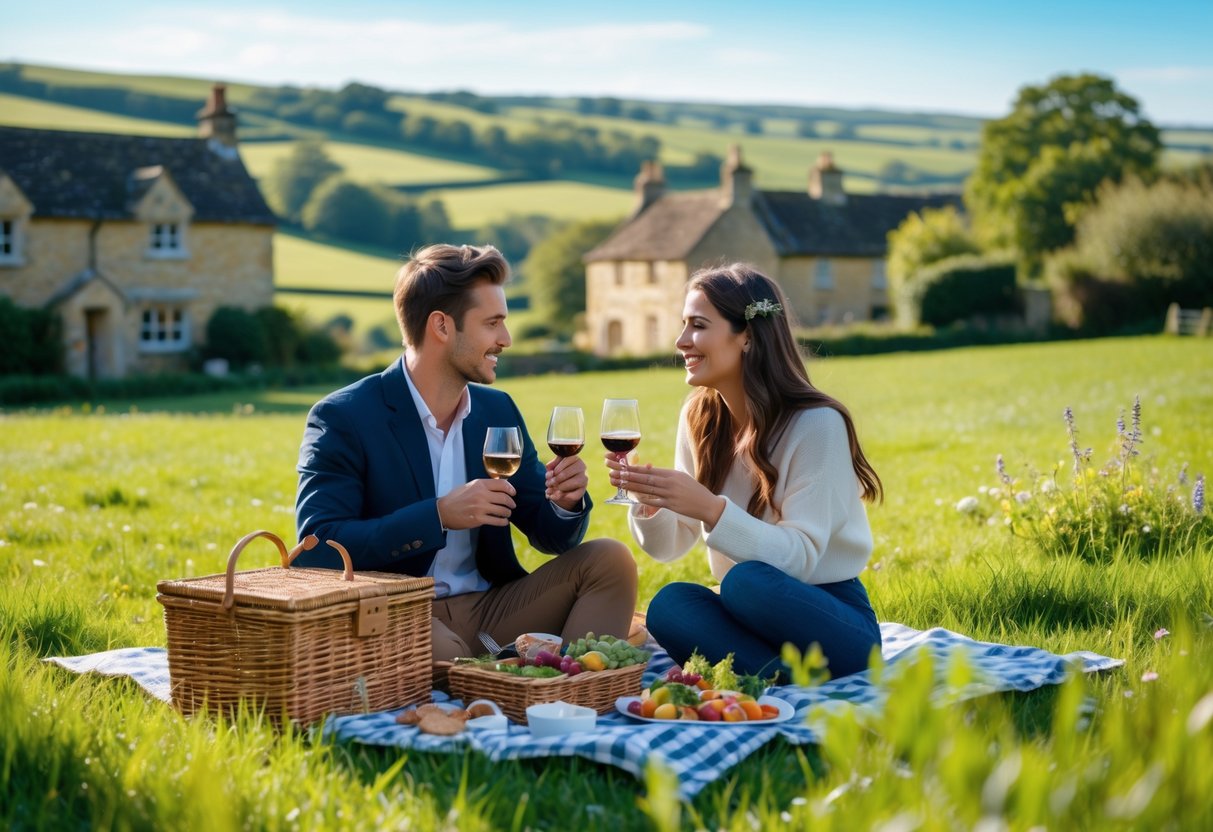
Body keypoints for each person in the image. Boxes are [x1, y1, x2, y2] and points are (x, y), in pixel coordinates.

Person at [295, 243, 637, 664]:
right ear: (441, 326)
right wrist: (437, 514)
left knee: (609, 560)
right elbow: (315, 550)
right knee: (447, 656)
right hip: (400, 613)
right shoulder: (344, 416)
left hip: (492, 609)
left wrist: (564, 504)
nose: (506, 339)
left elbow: (549, 534)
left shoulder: (497, 410)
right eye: (492, 323)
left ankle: (567, 690)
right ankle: (506, 675)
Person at [607, 264, 882, 680]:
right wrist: (650, 504)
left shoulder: (817, 424)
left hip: (832, 618)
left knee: (745, 582)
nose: (681, 342)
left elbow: (802, 560)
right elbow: (669, 548)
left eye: (698, 326)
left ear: (748, 336)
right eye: (683, 325)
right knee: (669, 604)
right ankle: (774, 678)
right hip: (750, 615)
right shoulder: (699, 417)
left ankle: (762, 671)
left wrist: (711, 511)